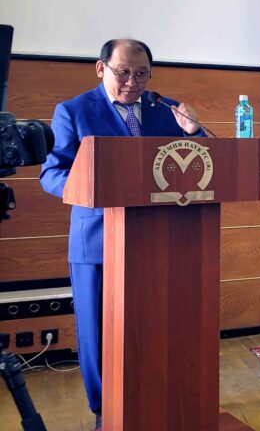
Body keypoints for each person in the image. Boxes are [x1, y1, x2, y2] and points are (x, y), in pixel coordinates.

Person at [39, 39, 204, 430]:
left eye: (142, 74)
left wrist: (194, 132)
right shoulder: (73, 111)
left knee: (157, 325)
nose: (133, 82)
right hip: (97, 239)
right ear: (102, 68)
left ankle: (156, 399)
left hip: (157, 238)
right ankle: (106, 411)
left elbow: (198, 163)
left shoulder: (165, 109)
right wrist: (93, 186)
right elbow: (51, 173)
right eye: (124, 72)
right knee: (97, 331)